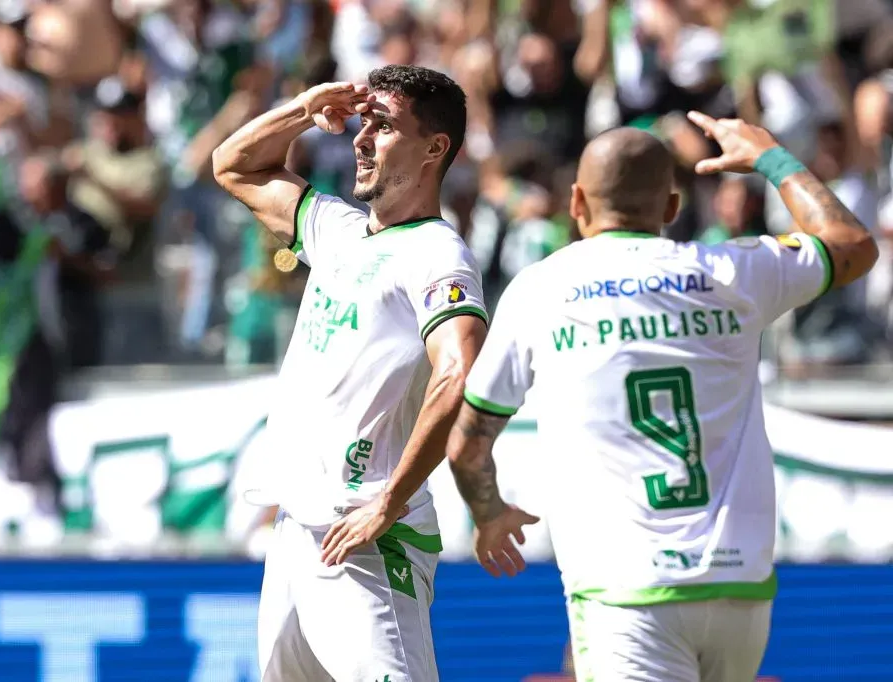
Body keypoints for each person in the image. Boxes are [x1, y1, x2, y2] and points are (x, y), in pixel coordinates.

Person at [445, 113, 878, 682]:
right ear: (671, 208)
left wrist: (488, 513)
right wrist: (772, 158)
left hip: (625, 591)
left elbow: (468, 446)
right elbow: (851, 244)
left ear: (577, 203)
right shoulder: (734, 271)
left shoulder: (540, 290)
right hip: (739, 586)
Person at [211, 64, 489, 681]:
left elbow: (460, 375)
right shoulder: (335, 229)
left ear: (434, 148)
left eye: (383, 126)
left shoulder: (438, 254)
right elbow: (231, 165)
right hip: (295, 532)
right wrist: (303, 109)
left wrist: (386, 503)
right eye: (363, 123)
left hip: (365, 538)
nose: (361, 138)